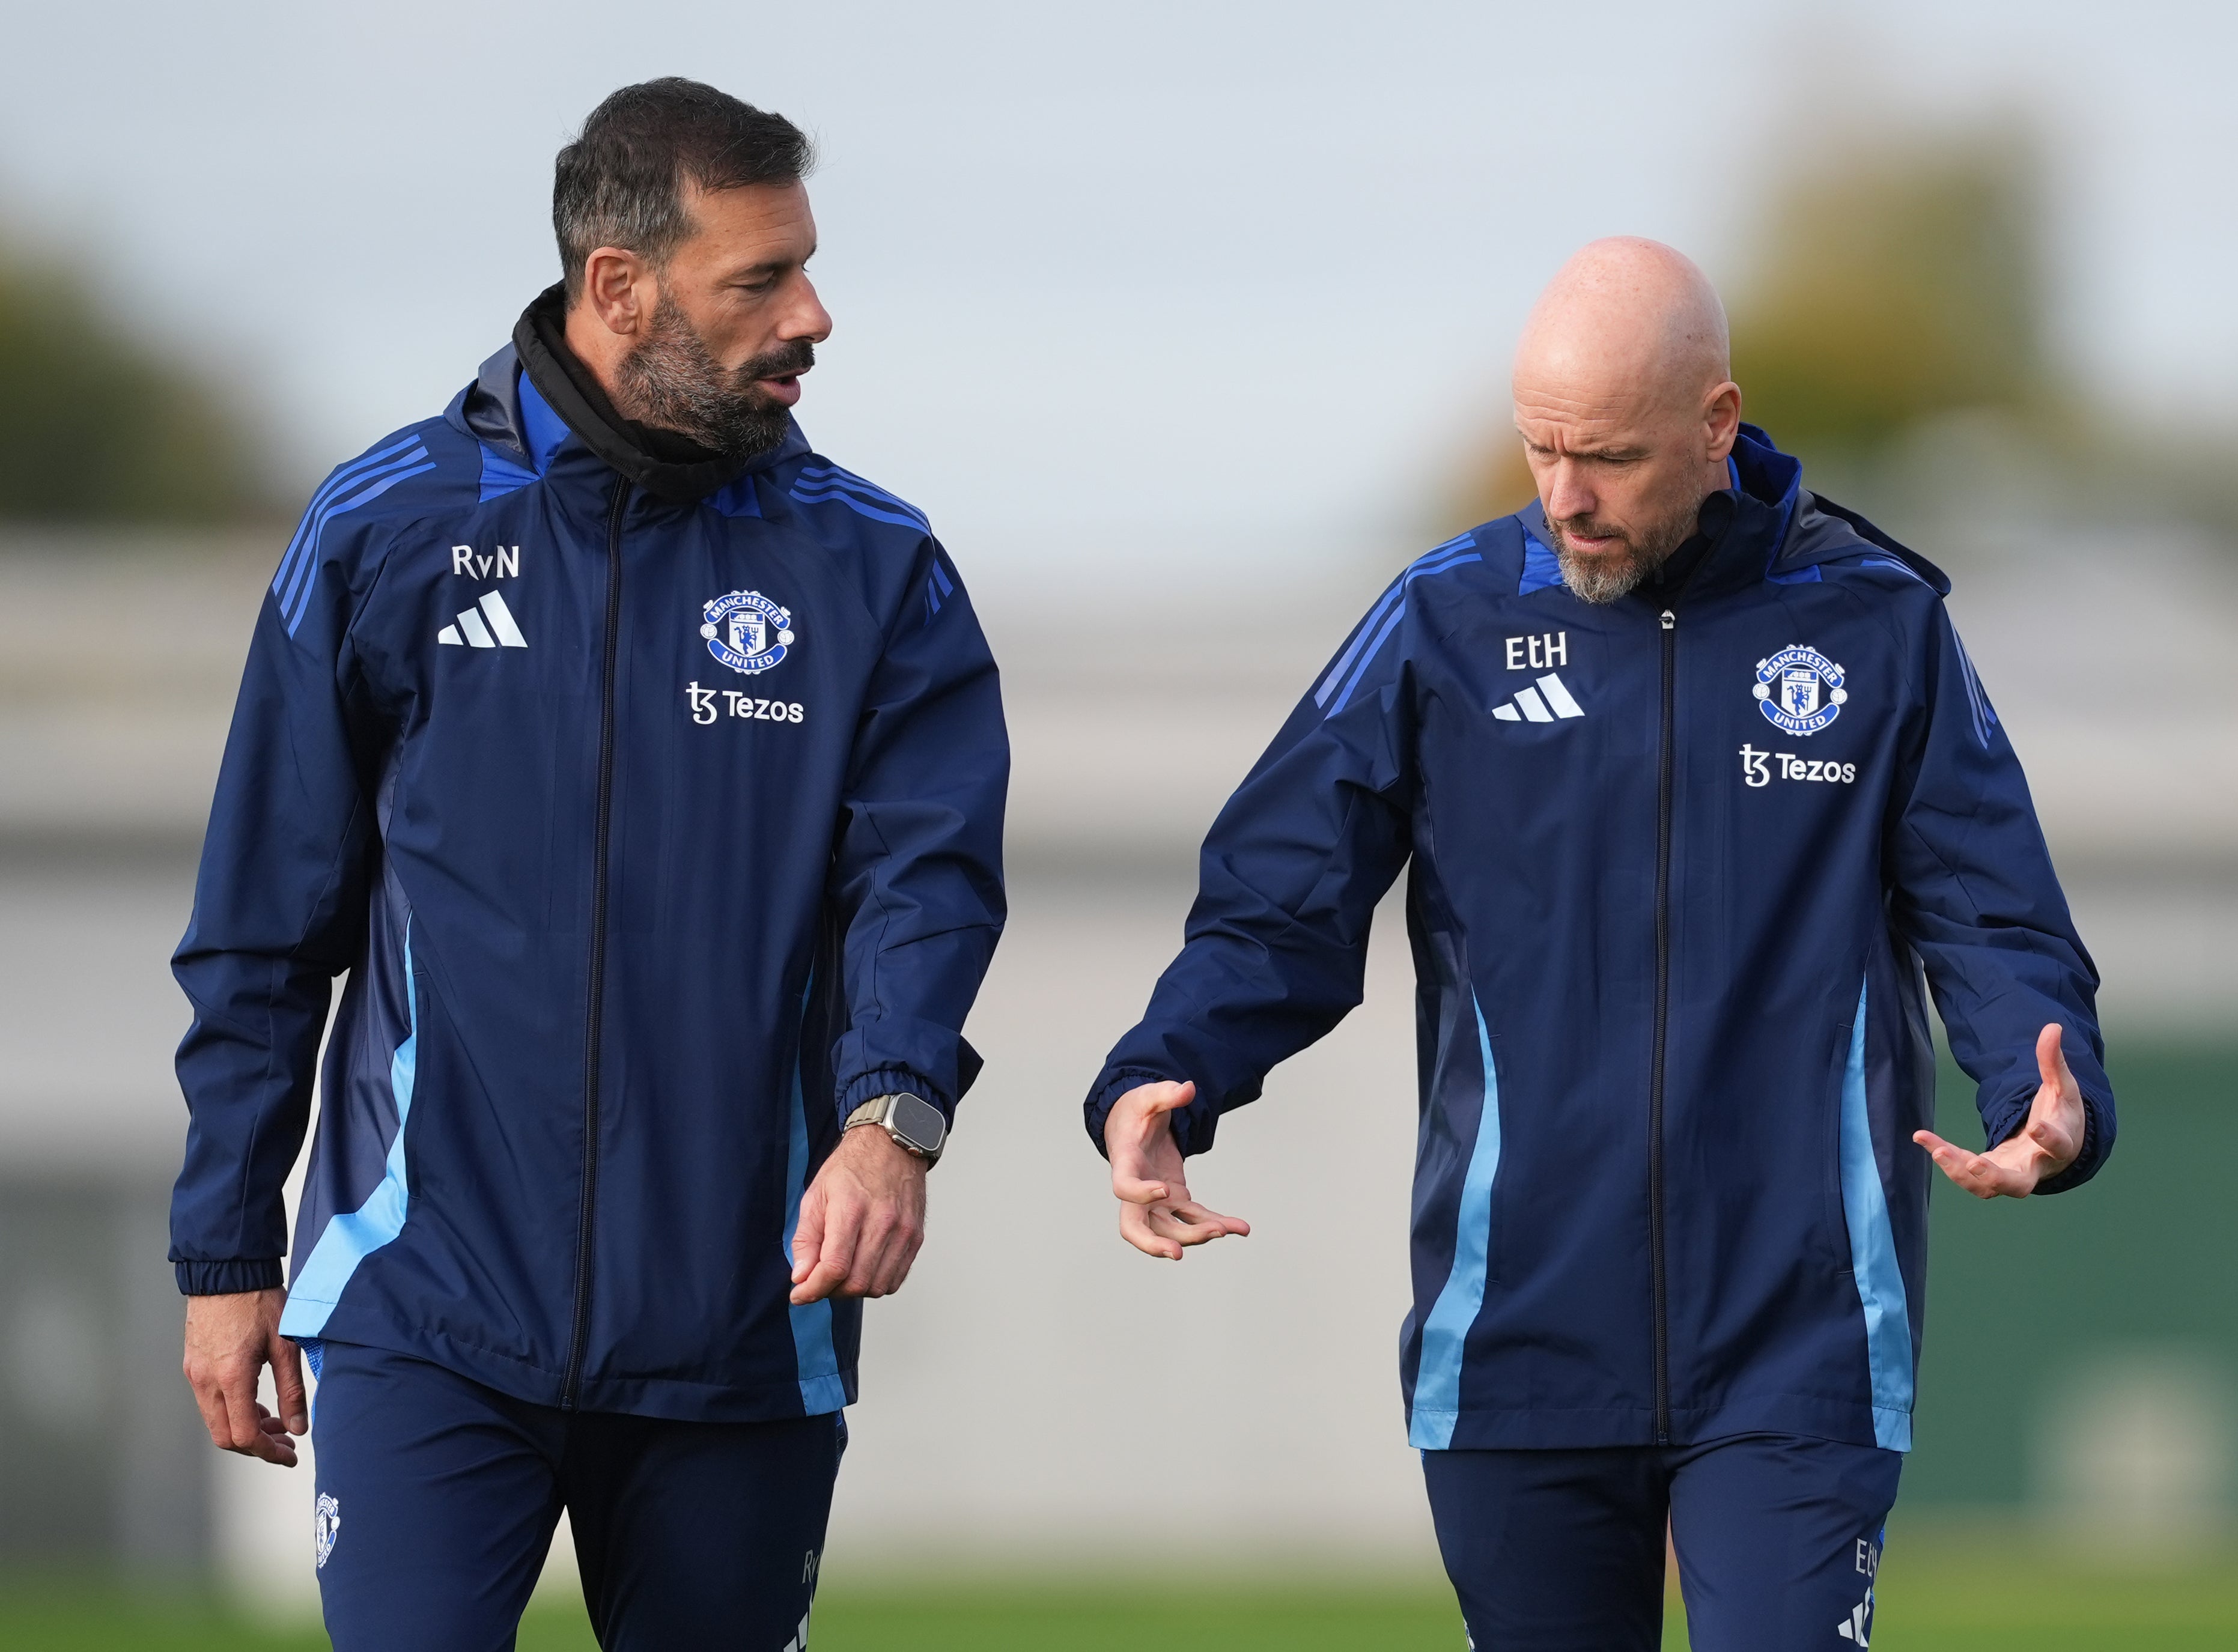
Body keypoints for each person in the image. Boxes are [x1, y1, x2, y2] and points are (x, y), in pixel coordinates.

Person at [1083, 238, 2110, 1651]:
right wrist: (1168, 1070)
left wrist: (2045, 1095)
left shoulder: (1882, 624)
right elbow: (1279, 897)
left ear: (1716, 425)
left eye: (1611, 458)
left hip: (1798, 1341)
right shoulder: (1443, 618)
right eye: (1542, 449)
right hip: (1518, 1337)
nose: (1566, 497)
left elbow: (1994, 914)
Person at [170, 78, 1008, 1649]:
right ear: (617, 289)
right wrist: (224, 1252)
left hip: (741, 1333)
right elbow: (264, 931)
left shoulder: (874, 568)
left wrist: (895, 1115)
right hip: (426, 1309)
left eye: (806, 264)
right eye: (758, 278)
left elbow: (927, 885)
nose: (811, 314)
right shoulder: (385, 531)